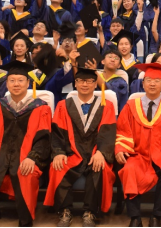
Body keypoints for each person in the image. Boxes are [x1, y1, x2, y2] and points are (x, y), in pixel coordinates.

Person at [0, 61, 52, 228]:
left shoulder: (40, 108)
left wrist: (32, 158)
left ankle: (25, 220)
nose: (16, 84)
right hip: (0, 156)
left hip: (26, 156)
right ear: (7, 83)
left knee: (26, 174)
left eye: (20, 80)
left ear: (28, 83)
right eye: (12, 80)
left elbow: (44, 138)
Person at [115, 63, 161, 227]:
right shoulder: (131, 106)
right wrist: (121, 148)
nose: (152, 84)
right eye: (148, 80)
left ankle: (157, 216)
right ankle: (135, 217)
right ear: (143, 84)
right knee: (129, 169)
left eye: (157, 81)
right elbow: (123, 131)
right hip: (138, 154)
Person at [44, 67, 116, 228]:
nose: (85, 84)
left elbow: (108, 132)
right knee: (58, 167)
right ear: (75, 84)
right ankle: (64, 211)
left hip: (95, 152)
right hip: (71, 153)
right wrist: (59, 152)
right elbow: (57, 132)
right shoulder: (63, 105)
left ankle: (90, 212)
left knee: (100, 168)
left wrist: (101, 153)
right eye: (81, 81)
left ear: (95, 84)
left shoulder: (106, 105)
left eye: (90, 81)